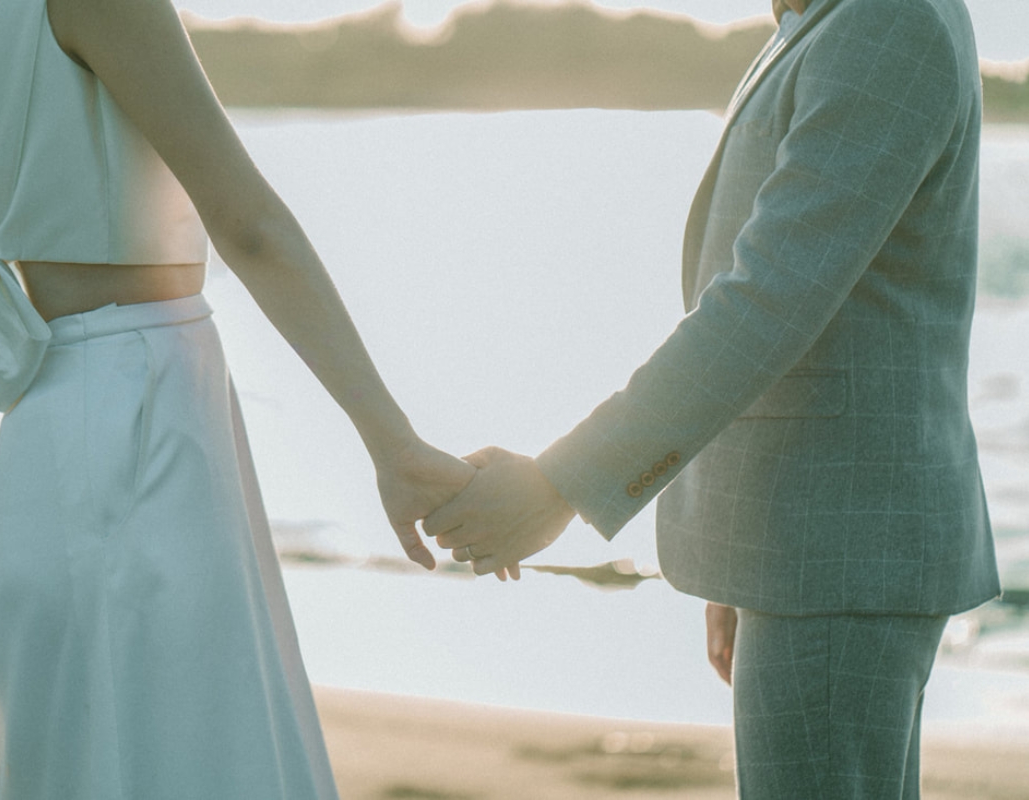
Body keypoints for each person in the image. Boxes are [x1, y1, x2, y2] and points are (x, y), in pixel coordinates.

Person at [0, 0, 481, 796]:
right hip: (139, 425)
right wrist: (392, 443)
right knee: (190, 754)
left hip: (42, 431)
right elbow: (251, 226)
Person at [424, 0, 1000, 797]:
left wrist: (559, 485)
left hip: (838, 553)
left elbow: (767, 300)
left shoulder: (885, 22)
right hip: (805, 551)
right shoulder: (833, 20)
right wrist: (737, 557)